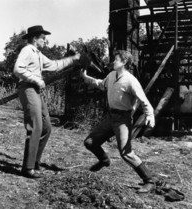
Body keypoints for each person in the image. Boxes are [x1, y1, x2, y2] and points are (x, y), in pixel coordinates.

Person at [14, 25, 85, 178]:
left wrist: (72, 59)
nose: (45, 41)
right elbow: (17, 69)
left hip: (36, 90)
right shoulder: (27, 50)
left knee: (46, 128)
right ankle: (27, 168)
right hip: (28, 88)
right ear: (35, 39)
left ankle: (35, 163)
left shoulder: (38, 53)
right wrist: (35, 80)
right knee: (36, 127)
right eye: (43, 38)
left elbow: (53, 65)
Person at [81, 50, 156, 193]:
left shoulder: (130, 80)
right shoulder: (111, 75)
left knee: (125, 152)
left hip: (123, 120)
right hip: (110, 117)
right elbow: (101, 84)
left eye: (116, 59)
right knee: (89, 142)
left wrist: (150, 115)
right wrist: (86, 77)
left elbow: (143, 99)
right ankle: (104, 160)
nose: (113, 61)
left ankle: (149, 181)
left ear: (124, 63)